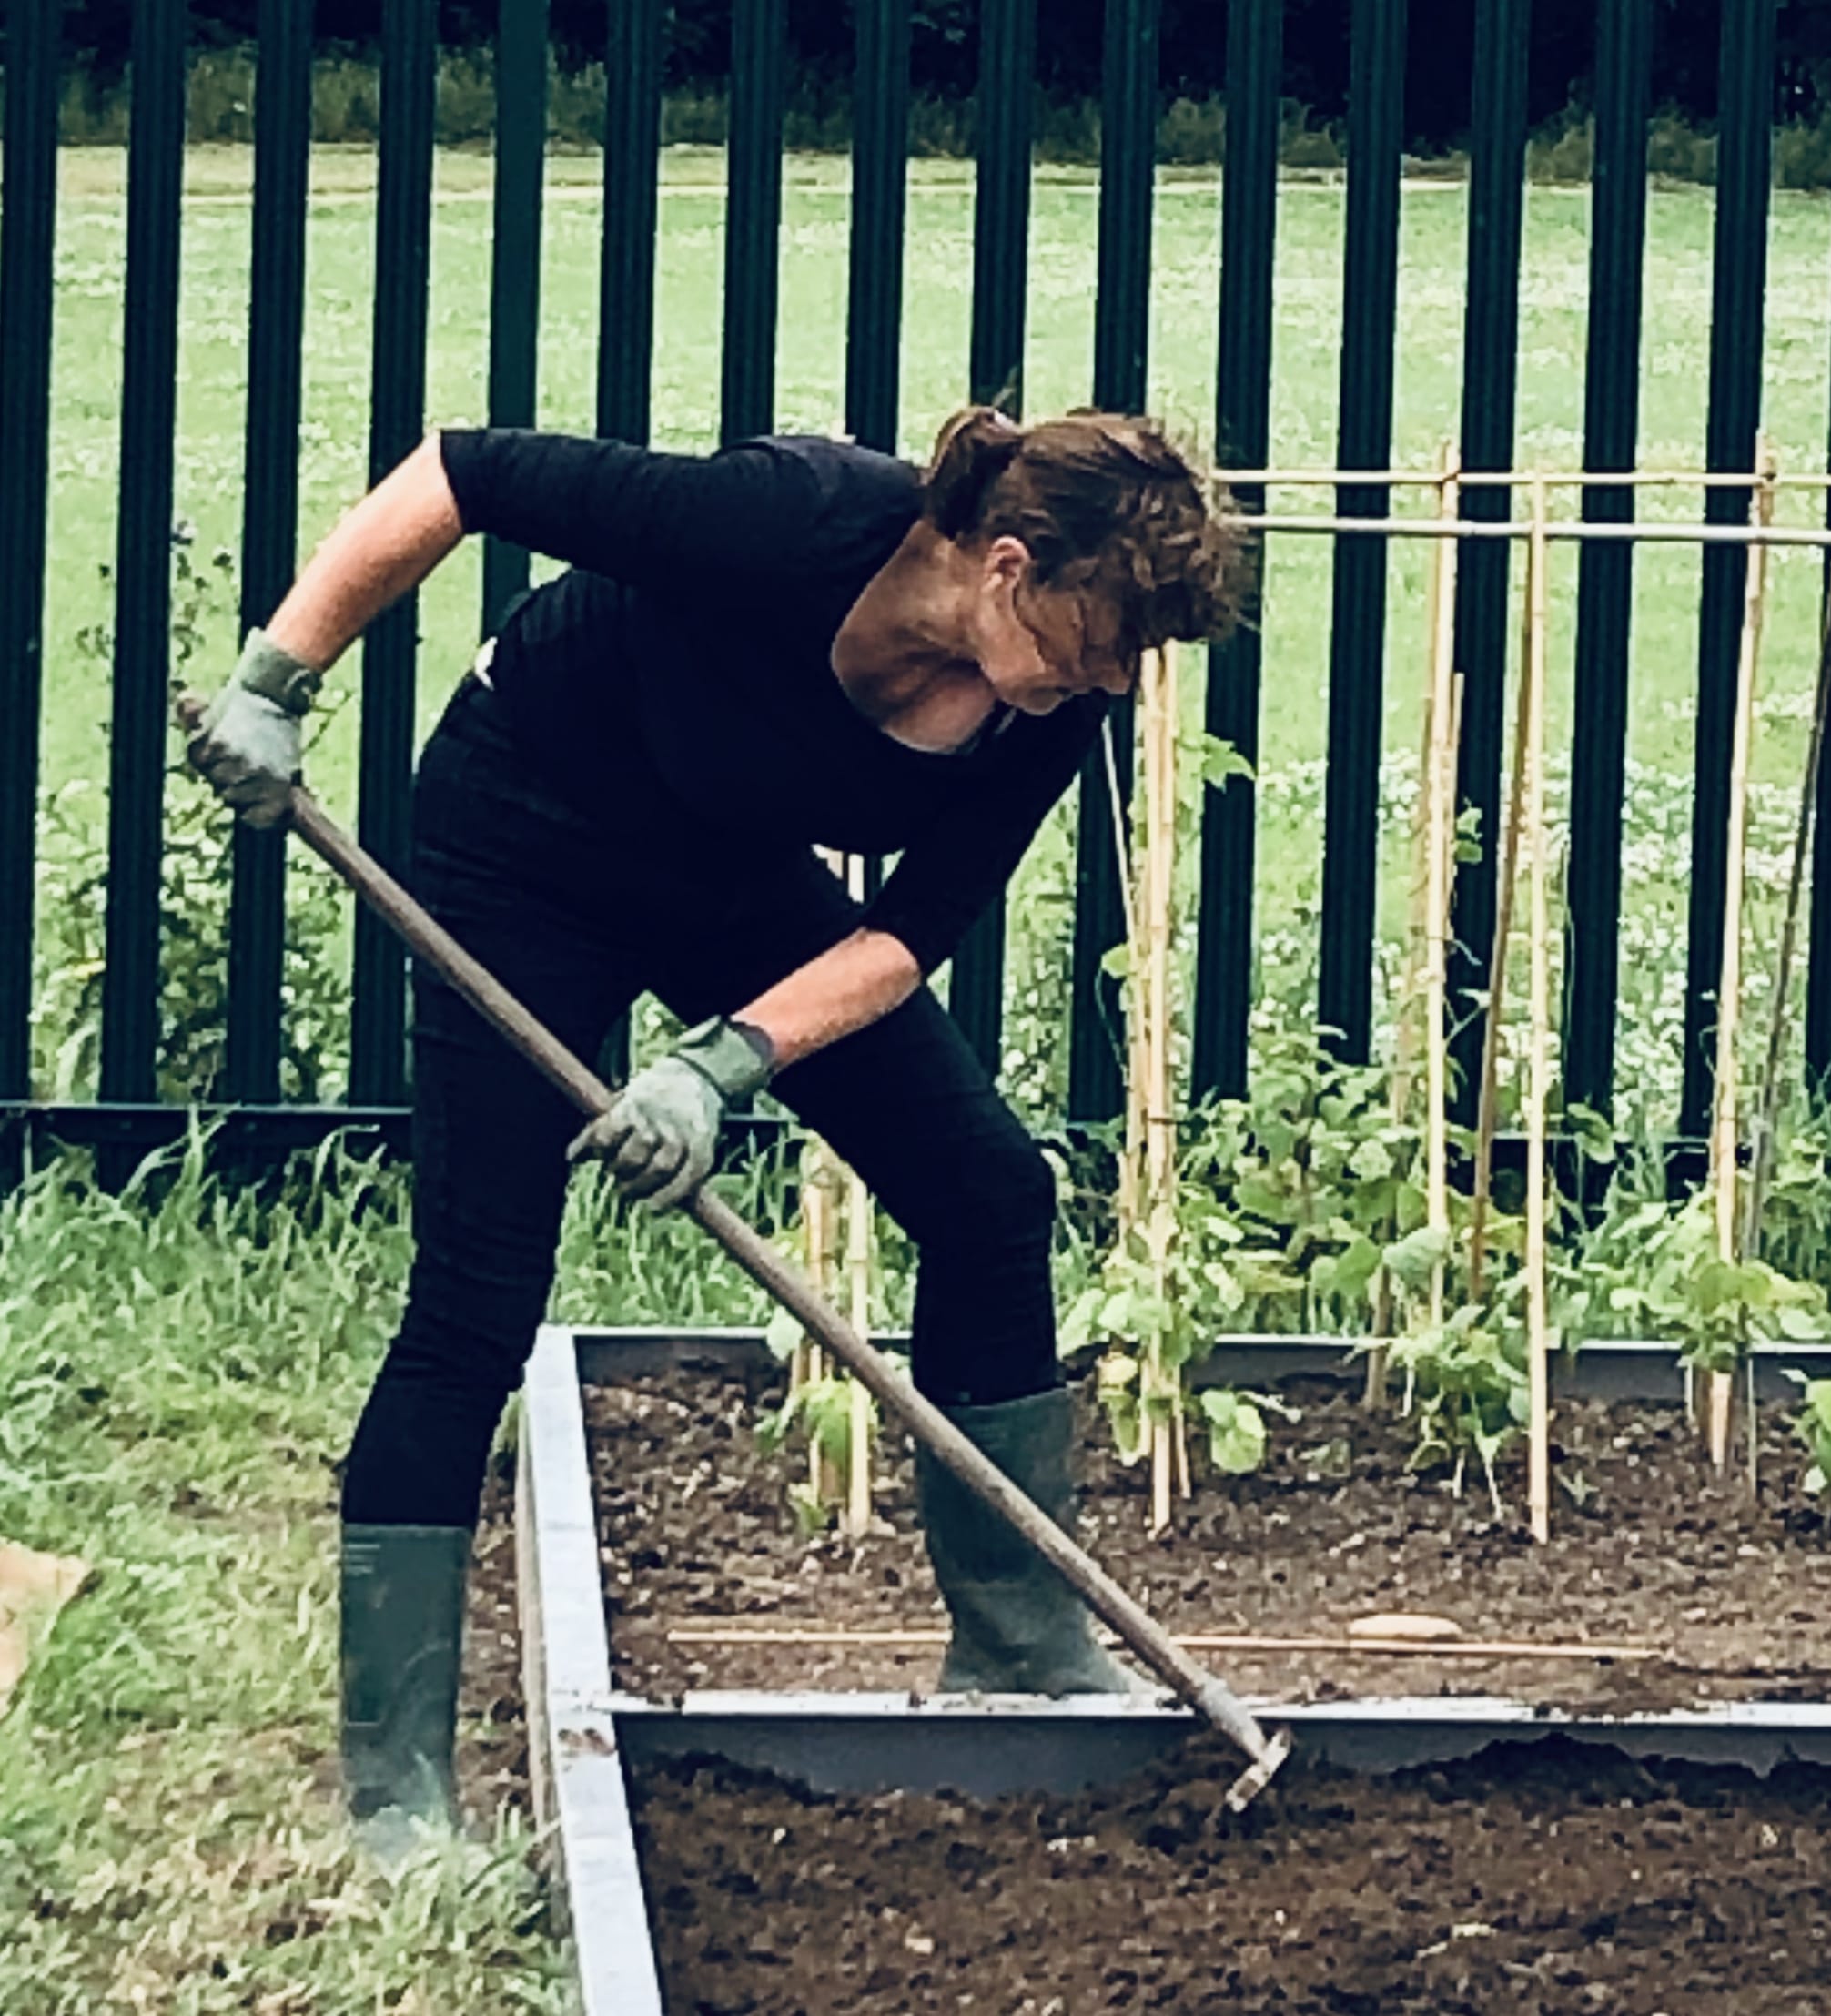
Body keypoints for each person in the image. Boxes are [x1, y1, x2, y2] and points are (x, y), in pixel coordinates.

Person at [184, 407, 1241, 1850]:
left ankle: (1016, 1643)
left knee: (987, 1192)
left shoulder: (1044, 707)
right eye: (1104, 634)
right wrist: (277, 674)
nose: (1116, 674)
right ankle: (396, 1788)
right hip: (521, 835)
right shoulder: (791, 520)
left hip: (723, 867)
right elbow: (462, 476)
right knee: (479, 1294)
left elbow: (908, 935)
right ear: (1005, 569)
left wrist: (724, 1063)